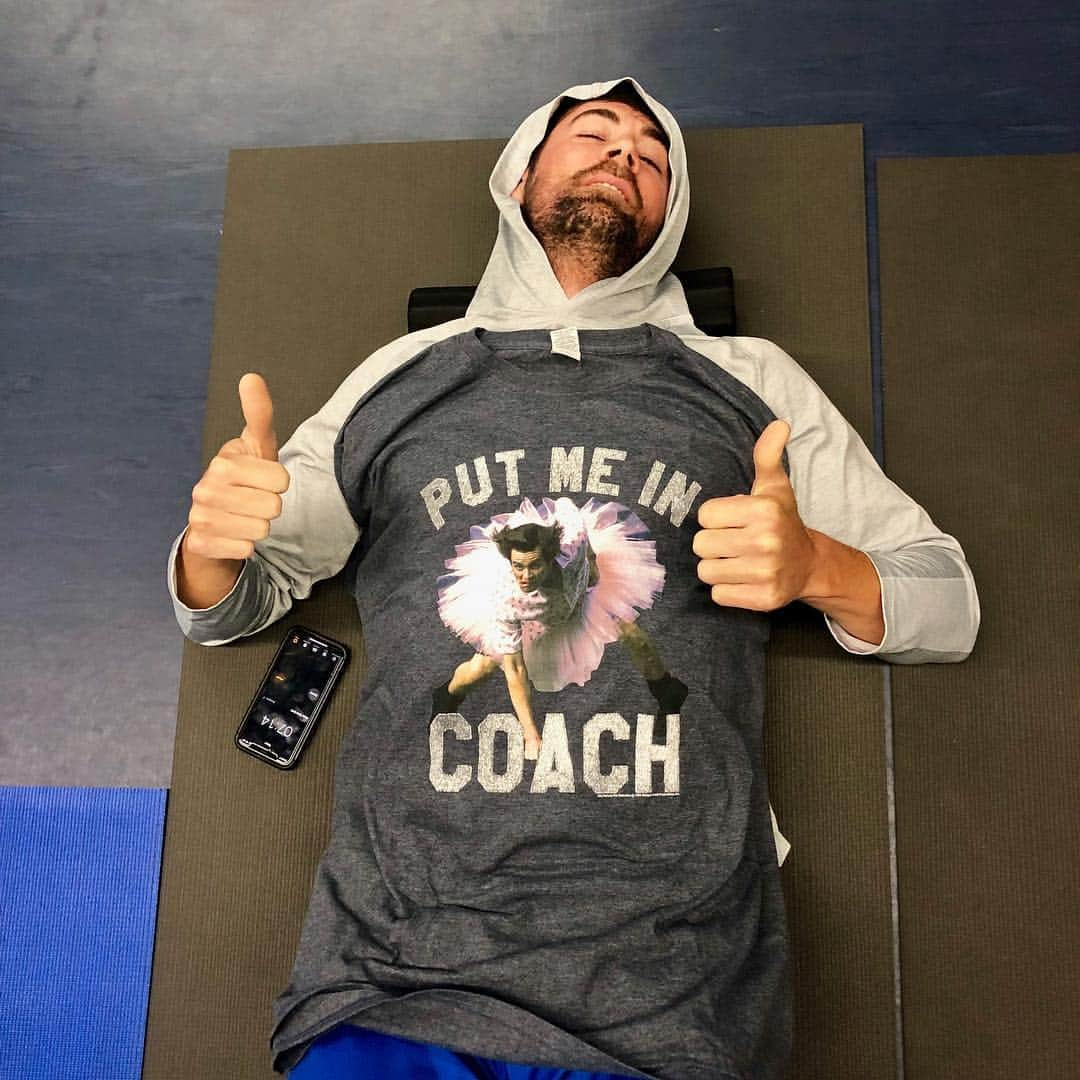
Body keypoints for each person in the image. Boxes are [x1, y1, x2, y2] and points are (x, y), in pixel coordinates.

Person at [168, 77, 979, 1080]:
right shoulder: (402, 374)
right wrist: (211, 555)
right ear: (518, 174)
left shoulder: (751, 380)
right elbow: (227, 611)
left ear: (671, 208)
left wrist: (819, 565)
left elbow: (945, 602)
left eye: (652, 152)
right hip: (398, 973)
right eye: (594, 133)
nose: (625, 153)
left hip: (674, 994)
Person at [431, 494, 686, 758]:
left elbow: (566, 505)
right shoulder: (507, 600)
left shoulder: (572, 540)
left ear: (552, 556)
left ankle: (668, 691)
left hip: (584, 595)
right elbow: (516, 669)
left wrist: (592, 559)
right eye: (518, 567)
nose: (525, 576)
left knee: (636, 639)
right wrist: (531, 734)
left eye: (534, 566)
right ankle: (447, 696)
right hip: (539, 622)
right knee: (482, 667)